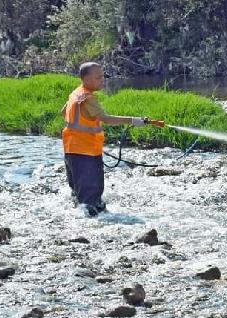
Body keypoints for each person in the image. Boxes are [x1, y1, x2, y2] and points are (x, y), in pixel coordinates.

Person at [61, 62, 157, 216]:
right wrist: (133, 120)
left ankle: (83, 215)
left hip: (71, 150)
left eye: (102, 76)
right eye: (98, 77)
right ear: (86, 79)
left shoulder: (75, 94)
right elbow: (106, 119)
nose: (102, 80)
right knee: (92, 192)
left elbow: (63, 113)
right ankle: (93, 222)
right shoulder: (88, 98)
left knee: (78, 190)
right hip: (86, 152)